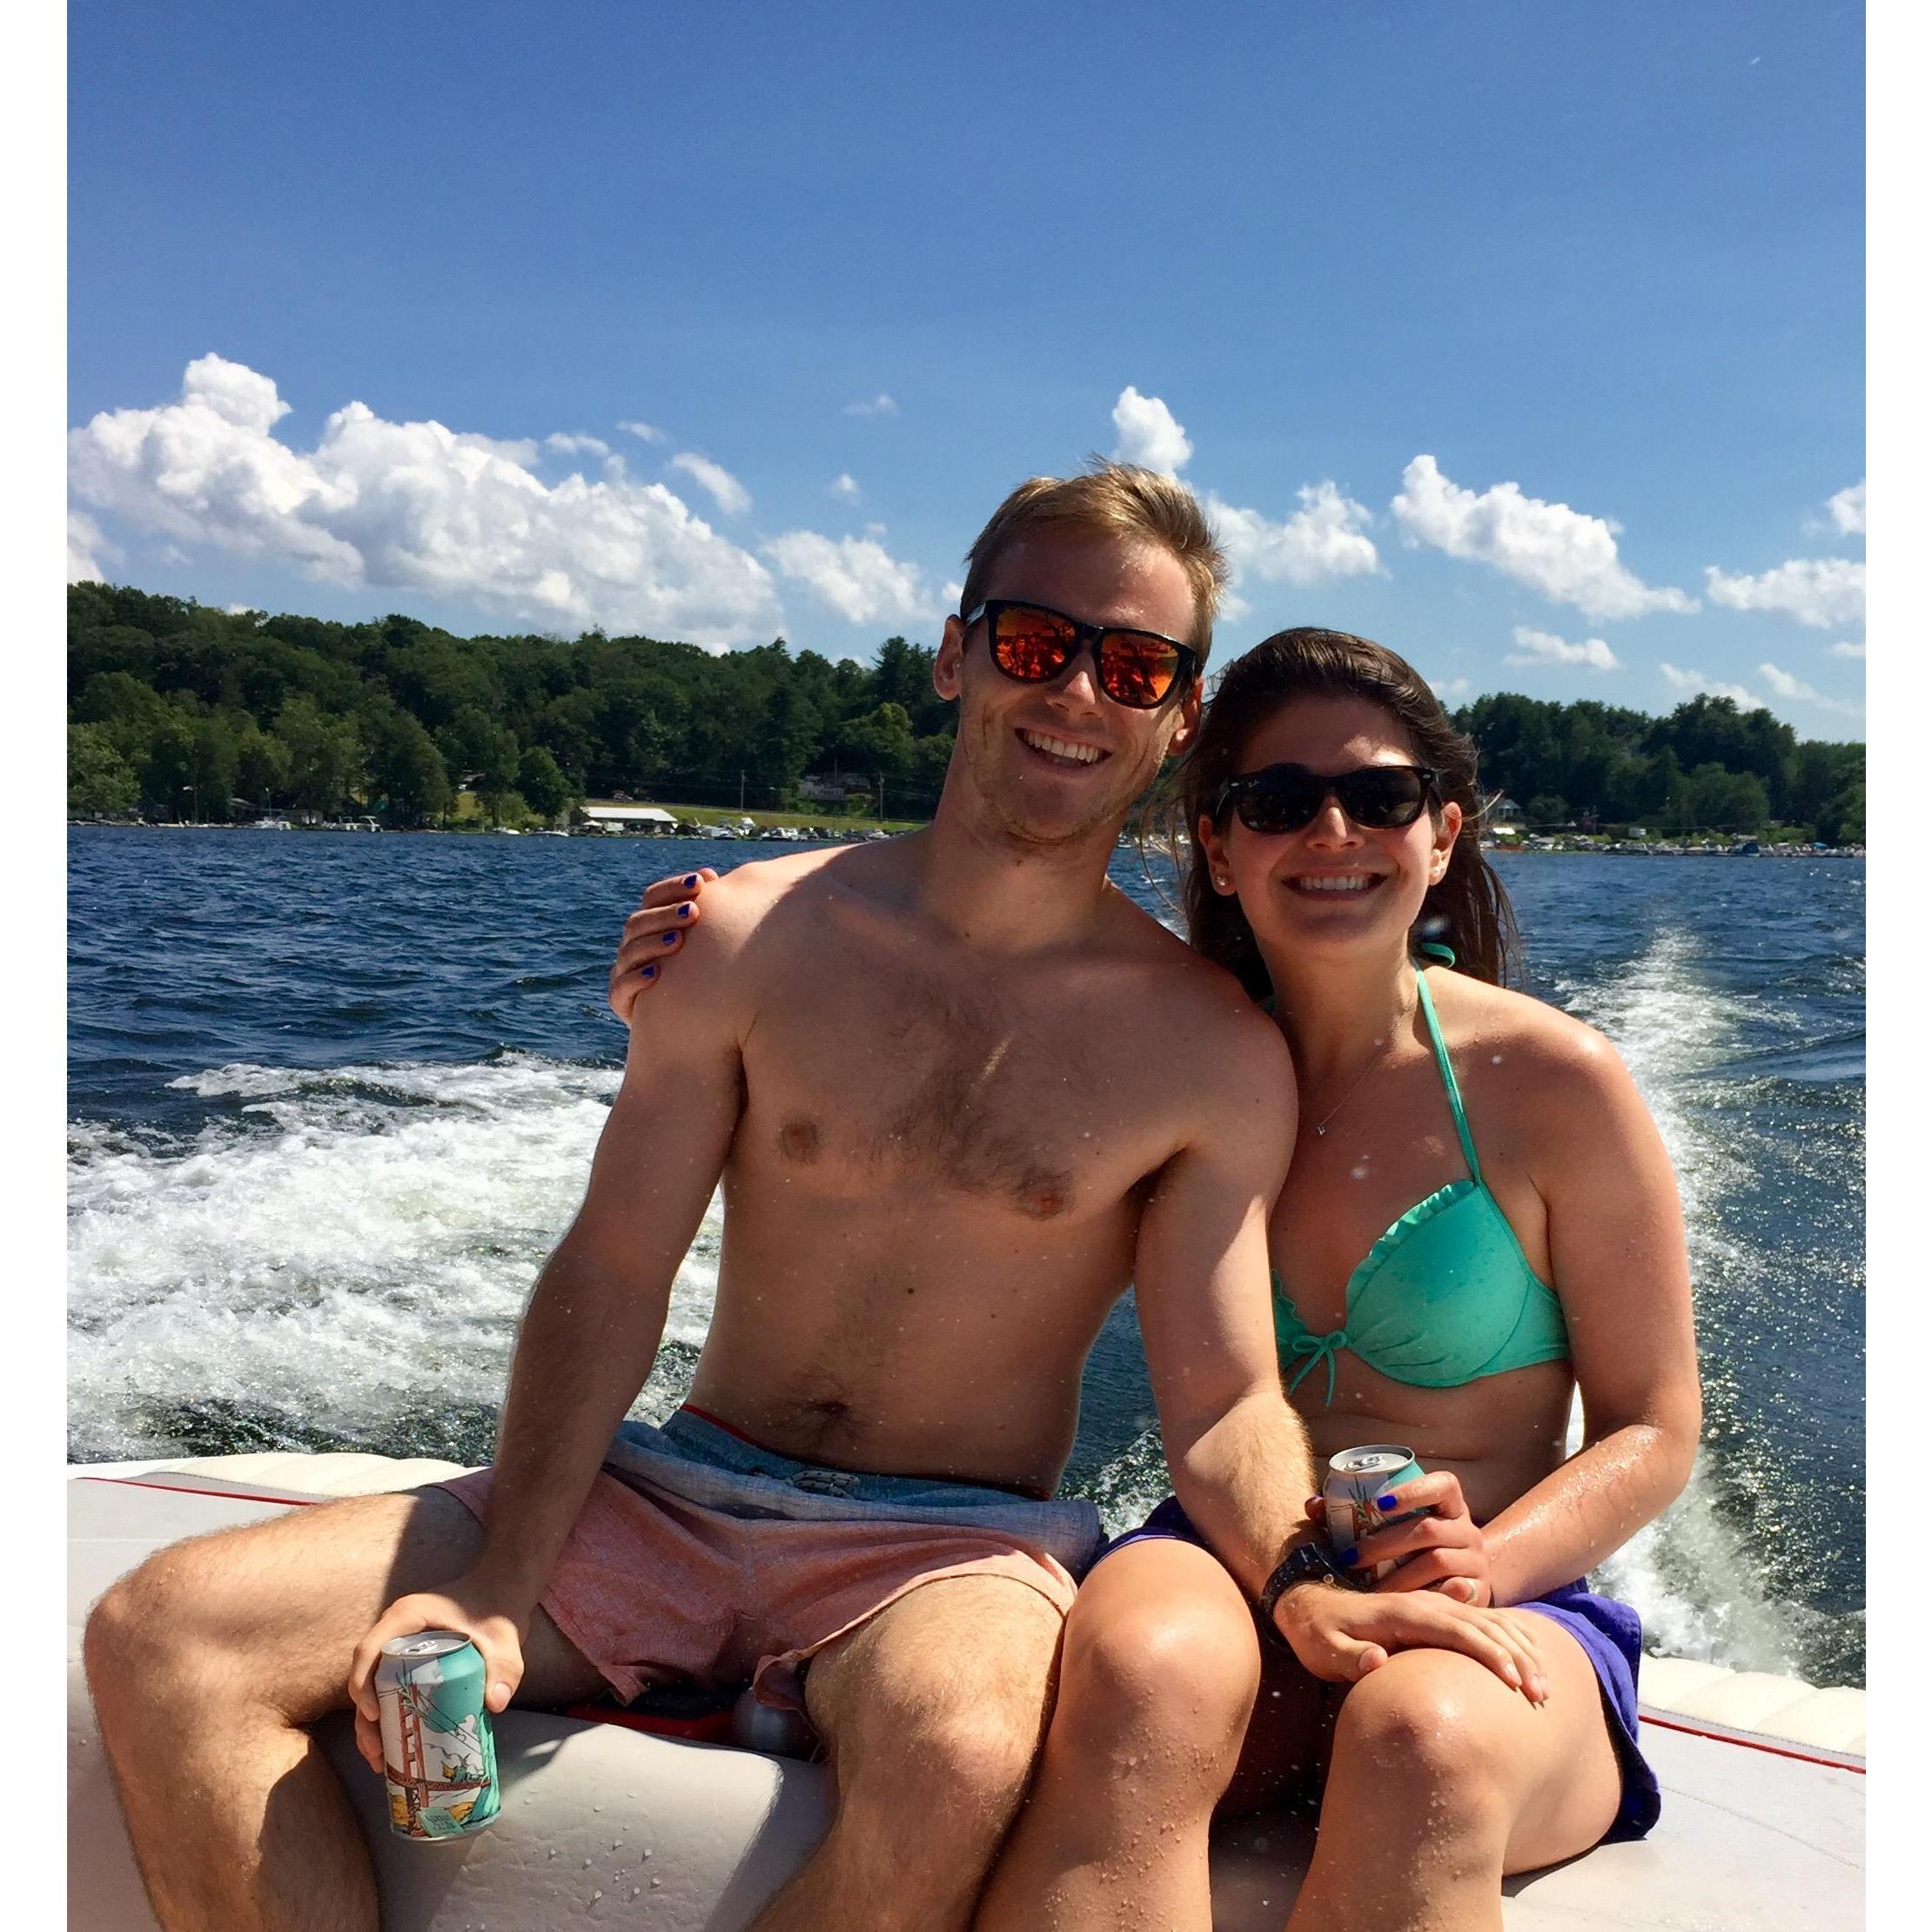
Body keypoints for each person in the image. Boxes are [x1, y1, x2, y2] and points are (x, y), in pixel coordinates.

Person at [83, 472, 1537, 1932]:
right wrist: (499, 1583)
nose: (1081, 691)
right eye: (1039, 642)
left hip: (952, 1548)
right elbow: (612, 1269)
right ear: (955, 649)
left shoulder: (1208, 1048)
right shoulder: (746, 937)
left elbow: (1220, 1398)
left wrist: (1300, 1576)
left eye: (1135, 665)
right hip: (672, 1489)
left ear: (1176, 709)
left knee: (964, 1758)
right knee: (167, 1637)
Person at [614, 626, 1700, 1932]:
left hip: (1501, 1592)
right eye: (1279, 802)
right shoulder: (1155, 1058)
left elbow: (1656, 1426)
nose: (1332, 830)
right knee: (1133, 1673)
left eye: (1381, 796)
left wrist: (1487, 1566)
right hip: (1239, 1554)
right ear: (1222, 849)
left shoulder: (1557, 1084)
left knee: (1422, 1744)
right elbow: (914, 1103)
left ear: (1445, 831)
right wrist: (693, 1001)